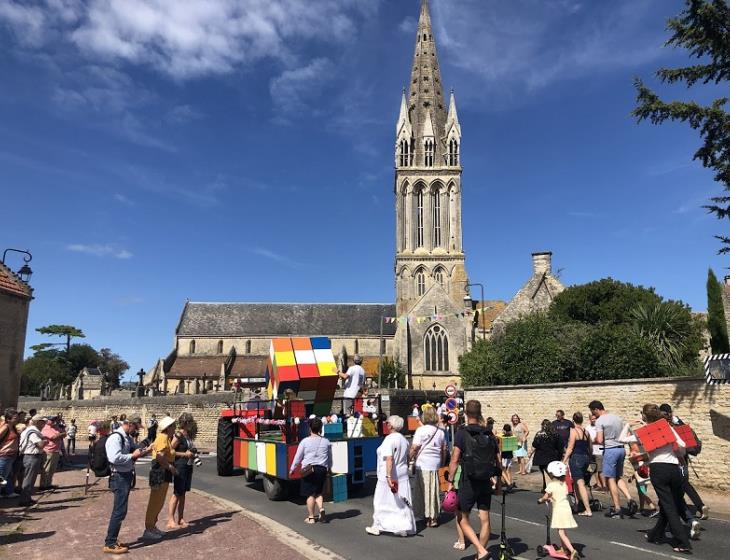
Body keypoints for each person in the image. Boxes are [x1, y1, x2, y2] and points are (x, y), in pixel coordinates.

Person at [623, 404, 692, 554]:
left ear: (645, 417)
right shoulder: (666, 427)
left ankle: (683, 542)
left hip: (658, 469)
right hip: (674, 468)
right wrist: (674, 450)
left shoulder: (644, 432)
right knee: (668, 502)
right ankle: (656, 534)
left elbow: (622, 438)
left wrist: (628, 425)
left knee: (668, 506)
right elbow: (682, 445)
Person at [446, 400, 500, 560]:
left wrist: (450, 482)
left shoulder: (462, 433)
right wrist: (499, 483)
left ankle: (480, 550)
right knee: (485, 519)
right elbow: (498, 461)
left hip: (468, 480)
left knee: (462, 517)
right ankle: (479, 556)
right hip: (485, 480)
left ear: (466, 414)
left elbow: (454, 460)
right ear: (480, 412)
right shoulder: (489, 433)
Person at [104, 416, 149, 554]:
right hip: (119, 476)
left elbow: (134, 451)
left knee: (121, 510)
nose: (136, 430)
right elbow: (114, 457)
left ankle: (113, 540)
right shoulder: (116, 438)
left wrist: (145, 450)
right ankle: (110, 543)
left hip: (125, 475)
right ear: (129, 424)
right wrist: (131, 456)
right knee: (119, 510)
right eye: (135, 427)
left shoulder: (127, 437)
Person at [366, 415, 416, 537]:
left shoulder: (389, 439)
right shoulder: (403, 440)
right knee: (400, 502)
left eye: (387, 423)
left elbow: (389, 458)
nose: (386, 424)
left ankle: (378, 525)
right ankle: (403, 527)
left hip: (389, 474)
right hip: (402, 473)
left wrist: (388, 476)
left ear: (391, 425)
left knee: (381, 501)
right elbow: (407, 456)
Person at [588, 400, 637, 518]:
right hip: (621, 449)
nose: (593, 415)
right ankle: (630, 499)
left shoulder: (600, 421)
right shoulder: (617, 418)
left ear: (596, 409)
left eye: (592, 412)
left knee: (610, 478)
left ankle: (617, 508)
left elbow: (599, 440)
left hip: (610, 450)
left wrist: (591, 441)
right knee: (618, 477)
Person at [659, 403, 708, 521]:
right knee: (685, 484)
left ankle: (682, 514)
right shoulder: (679, 423)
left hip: (672, 459)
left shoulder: (664, 425)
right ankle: (701, 506)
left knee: (673, 488)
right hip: (683, 457)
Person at [290, 417, 332, 524]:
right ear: (320, 428)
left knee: (310, 494)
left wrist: (292, 469)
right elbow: (330, 458)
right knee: (318, 492)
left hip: (309, 470)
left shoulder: (305, 441)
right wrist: (329, 468)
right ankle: (321, 509)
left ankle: (311, 517)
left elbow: (298, 457)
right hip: (322, 469)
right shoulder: (326, 442)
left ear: (310, 428)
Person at [410, 407, 446, 528]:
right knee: (434, 490)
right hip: (435, 463)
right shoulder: (440, 432)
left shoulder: (420, 430)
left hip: (423, 463)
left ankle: (424, 515)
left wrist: (409, 459)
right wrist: (442, 463)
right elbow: (443, 450)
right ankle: (433, 517)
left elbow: (415, 448)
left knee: (423, 490)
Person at [144, 416, 177, 540]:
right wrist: (170, 467)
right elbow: (160, 456)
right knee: (155, 501)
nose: (175, 428)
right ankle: (149, 527)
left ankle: (152, 526)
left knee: (159, 501)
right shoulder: (163, 438)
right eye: (173, 426)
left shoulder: (166, 438)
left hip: (163, 472)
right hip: (160, 472)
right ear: (168, 428)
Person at [538, 461, 579, 560]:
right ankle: (564, 549)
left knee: (561, 532)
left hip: (559, 510)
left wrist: (541, 500)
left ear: (551, 473)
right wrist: (552, 499)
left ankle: (572, 550)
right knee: (562, 530)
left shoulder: (551, 485)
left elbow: (546, 496)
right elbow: (559, 495)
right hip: (566, 508)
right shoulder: (563, 484)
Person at [169, 413, 197, 529]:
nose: (192, 424)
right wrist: (185, 454)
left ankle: (180, 518)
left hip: (187, 466)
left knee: (183, 494)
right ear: (186, 423)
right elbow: (170, 450)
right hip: (180, 466)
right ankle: (171, 520)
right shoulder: (179, 435)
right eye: (191, 422)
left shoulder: (187, 435)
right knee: (177, 493)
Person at [563, 412, 593, 516]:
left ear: (573, 421)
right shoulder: (586, 432)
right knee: (576, 481)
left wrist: (564, 460)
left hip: (576, 458)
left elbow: (570, 448)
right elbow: (590, 448)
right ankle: (578, 503)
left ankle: (587, 509)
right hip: (585, 457)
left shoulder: (573, 431)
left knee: (580, 483)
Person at [19, 415, 47, 506]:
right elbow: (40, 445)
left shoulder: (32, 430)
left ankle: (27, 498)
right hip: (31, 456)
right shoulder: (33, 432)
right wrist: (45, 441)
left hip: (31, 456)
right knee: (29, 479)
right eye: (43, 422)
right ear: (38, 422)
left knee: (30, 478)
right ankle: (24, 500)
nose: (44, 424)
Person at [530, 419, 563, 492]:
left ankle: (548, 487)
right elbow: (560, 446)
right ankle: (547, 486)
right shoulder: (556, 434)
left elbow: (535, 444)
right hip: (553, 456)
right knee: (550, 472)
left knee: (545, 472)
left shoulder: (539, 434)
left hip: (542, 456)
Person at [40, 416, 65, 490]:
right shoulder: (46, 428)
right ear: (48, 420)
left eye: (55, 420)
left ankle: (48, 484)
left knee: (52, 469)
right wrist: (61, 434)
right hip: (48, 451)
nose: (54, 421)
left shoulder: (55, 427)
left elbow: (64, 434)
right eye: (52, 420)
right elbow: (53, 437)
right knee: (46, 469)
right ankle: (43, 485)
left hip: (56, 450)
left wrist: (60, 434)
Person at [0, 409, 20, 498]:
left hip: (12, 456)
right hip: (5, 455)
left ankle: (9, 492)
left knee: (9, 475)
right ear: (8, 419)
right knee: (2, 476)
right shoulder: (6, 427)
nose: (17, 419)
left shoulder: (14, 428)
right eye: (15, 418)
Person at [585, 414, 606, 492]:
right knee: (592, 468)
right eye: (592, 419)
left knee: (600, 469)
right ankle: (596, 484)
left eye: (595, 419)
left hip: (599, 450)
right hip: (591, 451)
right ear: (590, 419)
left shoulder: (600, 427)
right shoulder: (587, 428)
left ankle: (604, 486)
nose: (593, 420)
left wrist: (593, 441)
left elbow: (600, 439)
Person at [501, 424, 514, 491]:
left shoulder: (502, 437)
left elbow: (501, 447)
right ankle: (510, 484)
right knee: (508, 471)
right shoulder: (512, 437)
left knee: (502, 470)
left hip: (504, 456)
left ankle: (508, 483)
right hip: (510, 455)